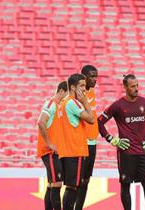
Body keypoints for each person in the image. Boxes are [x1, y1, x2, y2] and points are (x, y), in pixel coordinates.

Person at [98, 74, 145, 210]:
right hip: (126, 154)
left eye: (137, 85)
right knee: (125, 187)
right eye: (133, 86)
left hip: (143, 153)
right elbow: (99, 122)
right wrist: (111, 139)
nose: (136, 89)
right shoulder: (118, 105)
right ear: (125, 87)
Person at [58, 74, 94, 210]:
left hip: (67, 151)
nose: (84, 89)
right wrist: (85, 102)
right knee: (73, 188)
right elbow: (91, 119)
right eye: (82, 86)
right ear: (73, 87)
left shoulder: (63, 103)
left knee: (70, 187)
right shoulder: (72, 103)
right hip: (75, 151)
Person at [37, 81, 68, 210]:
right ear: (61, 91)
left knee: (51, 184)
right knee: (57, 183)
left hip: (55, 152)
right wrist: (50, 143)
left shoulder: (59, 106)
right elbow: (40, 122)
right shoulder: (51, 104)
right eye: (67, 94)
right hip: (49, 151)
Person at [75, 65, 99, 210]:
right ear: (83, 77)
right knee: (77, 180)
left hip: (92, 141)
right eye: (92, 76)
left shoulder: (92, 92)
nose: (95, 79)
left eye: (96, 76)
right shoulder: (77, 95)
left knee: (86, 179)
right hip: (80, 142)